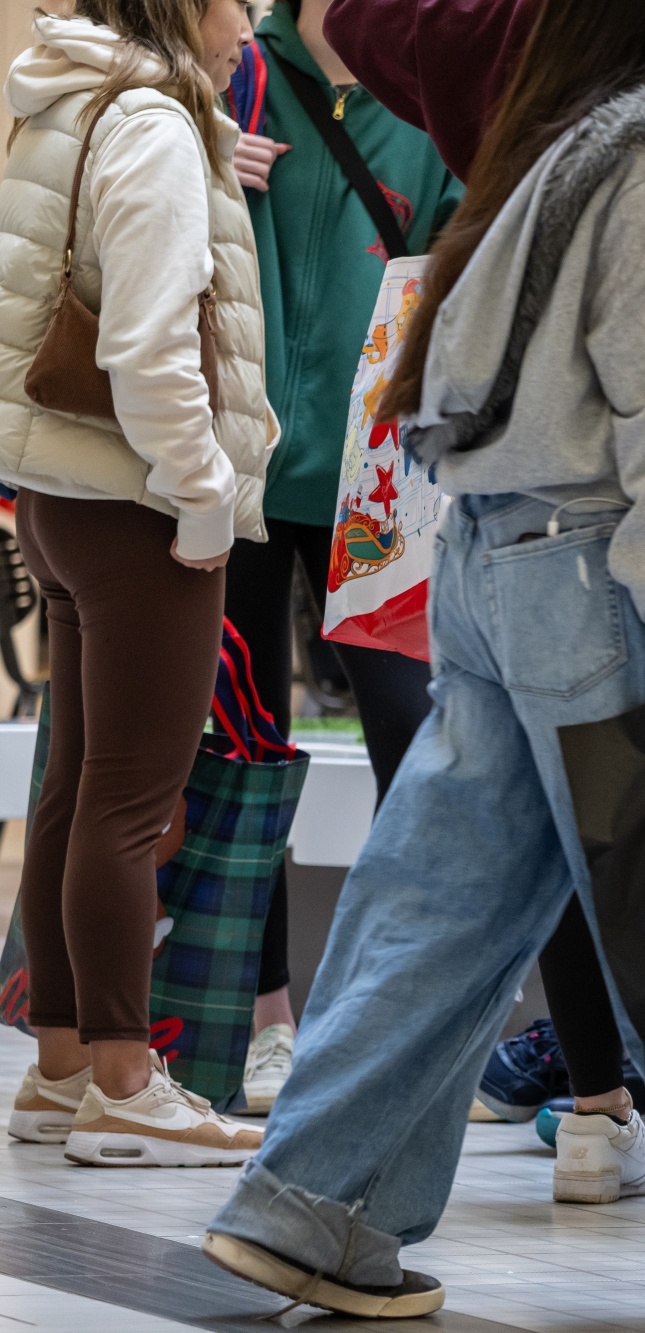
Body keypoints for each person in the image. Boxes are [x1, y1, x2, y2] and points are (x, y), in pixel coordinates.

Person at [201, 1, 645, 1319]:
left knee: (436, 904)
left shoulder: (552, 144)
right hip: (600, 570)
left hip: (489, 558)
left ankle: (314, 1201)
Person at [0, 1, 273, 1166]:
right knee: (128, 801)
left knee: (73, 787)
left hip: (59, 490)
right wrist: (204, 492)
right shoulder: (155, 122)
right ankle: (123, 1079)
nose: (249, 32)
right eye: (239, 5)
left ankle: (61, 1068)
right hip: (137, 501)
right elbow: (151, 344)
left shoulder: (61, 94)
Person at [221, 0, 462, 1116]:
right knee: (241, 747)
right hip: (242, 472)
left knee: (410, 746)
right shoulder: (236, 78)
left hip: (380, 479)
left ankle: (391, 1020)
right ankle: (264, 1021)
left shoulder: (428, 76)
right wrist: (209, 168)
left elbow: (475, 249)